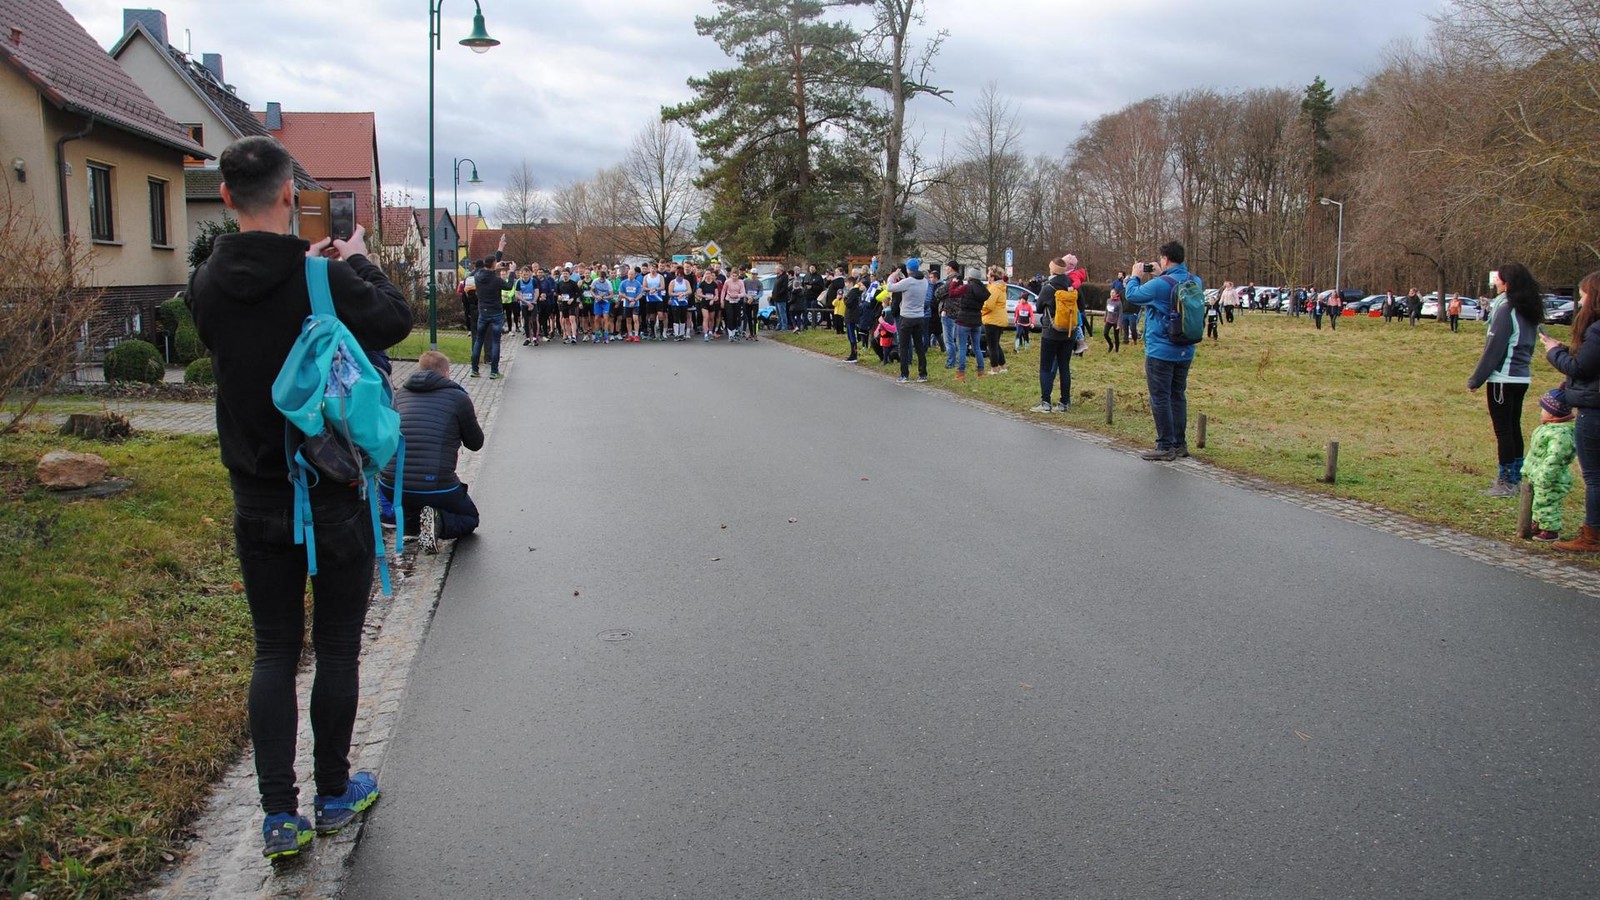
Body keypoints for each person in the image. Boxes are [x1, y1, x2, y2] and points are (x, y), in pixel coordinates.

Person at [187, 135, 409, 859]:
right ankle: (335, 792)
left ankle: (280, 818)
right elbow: (395, 320)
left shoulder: (204, 285)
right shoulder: (321, 279)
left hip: (255, 498)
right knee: (337, 647)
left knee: (274, 652)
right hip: (331, 496)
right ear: (290, 195)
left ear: (223, 196)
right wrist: (353, 259)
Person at [379, 350, 485, 553]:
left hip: (392, 484)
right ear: (446, 374)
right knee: (469, 518)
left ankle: (412, 526)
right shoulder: (458, 398)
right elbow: (475, 443)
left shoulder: (399, 395)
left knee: (412, 499)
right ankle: (439, 522)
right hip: (437, 486)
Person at [1538, 270, 1600, 552]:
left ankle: (1592, 536)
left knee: (1594, 477)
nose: (1581, 299)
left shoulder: (1597, 330)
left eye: (1584, 294)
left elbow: (1581, 369)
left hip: (1594, 409)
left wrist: (1553, 352)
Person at [1468, 264, 1543, 496]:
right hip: (1521, 378)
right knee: (1513, 427)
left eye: (1498, 280)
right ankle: (1516, 477)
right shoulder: (1529, 308)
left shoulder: (1506, 309)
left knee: (1503, 431)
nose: (1496, 283)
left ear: (1507, 283)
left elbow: (1494, 348)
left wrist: (1476, 379)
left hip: (1502, 378)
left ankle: (1505, 481)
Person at [1125, 241, 1202, 460]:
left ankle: (1164, 445)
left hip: (1160, 350)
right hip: (1185, 349)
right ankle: (1180, 444)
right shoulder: (1194, 280)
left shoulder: (1159, 286)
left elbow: (1132, 296)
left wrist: (1135, 276)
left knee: (1160, 397)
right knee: (1178, 395)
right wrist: (1162, 275)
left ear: (1165, 259)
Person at [1521, 387, 1577, 542]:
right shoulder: (1546, 429)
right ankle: (1539, 523)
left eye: (1543, 409)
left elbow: (1555, 458)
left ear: (1552, 412)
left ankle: (1550, 529)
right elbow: (1535, 452)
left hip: (1552, 478)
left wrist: (1546, 476)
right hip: (1539, 474)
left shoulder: (1561, 434)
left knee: (1548, 502)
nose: (1541, 412)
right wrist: (1527, 468)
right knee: (1538, 501)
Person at [1030, 258, 1077, 413]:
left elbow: (1038, 308)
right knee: (1064, 367)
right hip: (1069, 332)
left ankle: (1045, 403)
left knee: (1046, 367)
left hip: (1050, 332)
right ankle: (1065, 402)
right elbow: (1081, 304)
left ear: (1052, 270)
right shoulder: (1071, 285)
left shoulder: (1048, 287)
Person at [885, 259, 930, 383]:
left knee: (904, 346)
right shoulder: (925, 281)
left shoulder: (908, 282)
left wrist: (893, 275)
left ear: (909, 269)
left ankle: (904, 374)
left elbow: (890, 287)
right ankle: (923, 373)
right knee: (919, 346)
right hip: (919, 316)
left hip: (906, 317)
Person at [471, 244, 510, 377]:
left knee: (479, 340)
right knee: (495, 342)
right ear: (494, 265)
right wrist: (510, 272)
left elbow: (489, 266)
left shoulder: (477, 275)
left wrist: (500, 248)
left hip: (483, 312)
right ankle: (494, 371)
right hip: (496, 313)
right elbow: (509, 286)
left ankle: (474, 370)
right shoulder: (497, 280)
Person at [951, 266, 988, 381]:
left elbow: (952, 293)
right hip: (977, 320)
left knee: (962, 348)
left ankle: (961, 373)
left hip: (964, 320)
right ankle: (981, 372)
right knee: (977, 347)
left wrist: (953, 283)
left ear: (971, 277)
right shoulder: (983, 290)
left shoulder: (967, 287)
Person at [982, 266, 1009, 374]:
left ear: (993, 277)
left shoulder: (994, 288)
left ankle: (994, 368)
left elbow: (988, 305)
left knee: (992, 345)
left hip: (992, 319)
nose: (987, 276)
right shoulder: (1001, 287)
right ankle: (1003, 367)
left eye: (988, 274)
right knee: (996, 344)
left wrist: (981, 311)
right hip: (999, 318)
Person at [937, 261, 961, 369]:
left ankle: (951, 362)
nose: (945, 268)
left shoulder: (951, 280)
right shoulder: (960, 280)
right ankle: (956, 359)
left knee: (948, 340)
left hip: (948, 311)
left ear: (951, 268)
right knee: (953, 339)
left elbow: (938, 292)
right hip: (956, 312)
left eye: (947, 267)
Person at [1104, 288, 1122, 352]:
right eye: (1111, 292)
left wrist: (1119, 324)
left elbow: (1120, 314)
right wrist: (1105, 318)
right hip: (1108, 320)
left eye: (1113, 292)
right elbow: (1106, 310)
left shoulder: (1119, 303)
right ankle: (1110, 345)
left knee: (1116, 336)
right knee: (1105, 333)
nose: (1111, 294)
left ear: (1116, 294)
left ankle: (1116, 350)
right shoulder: (1108, 300)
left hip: (1115, 321)